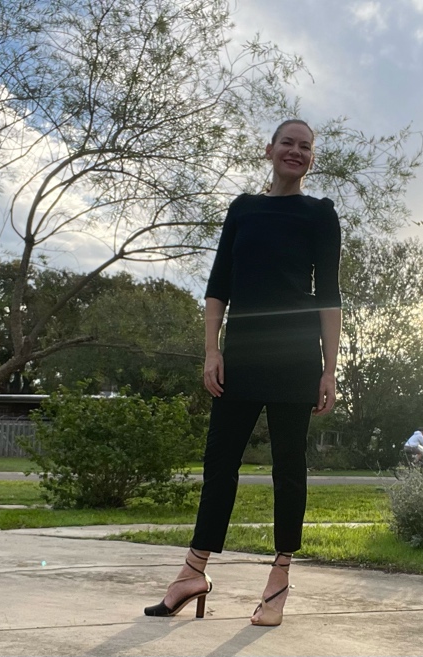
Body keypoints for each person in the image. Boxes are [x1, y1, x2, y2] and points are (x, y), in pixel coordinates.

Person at [143, 119, 342, 626]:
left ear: (311, 158)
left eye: (305, 146)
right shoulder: (243, 209)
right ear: (269, 149)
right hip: (242, 354)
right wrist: (212, 350)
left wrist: (330, 369)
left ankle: (279, 580)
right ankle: (193, 572)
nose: (295, 151)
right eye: (287, 143)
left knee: (288, 469)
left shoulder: (320, 214)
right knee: (219, 464)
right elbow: (218, 285)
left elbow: (329, 296)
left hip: (297, 356)